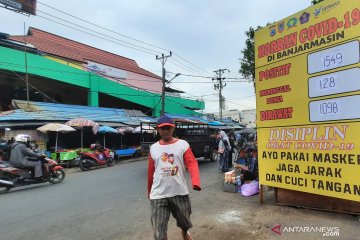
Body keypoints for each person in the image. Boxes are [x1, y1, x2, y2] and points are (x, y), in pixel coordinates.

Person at [148, 115, 201, 240]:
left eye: (168, 128)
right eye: (162, 128)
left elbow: (192, 163)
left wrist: (196, 181)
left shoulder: (182, 144)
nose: (165, 130)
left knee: (185, 222)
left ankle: (184, 231)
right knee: (158, 232)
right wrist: (149, 191)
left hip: (179, 191)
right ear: (158, 129)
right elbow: (151, 171)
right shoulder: (153, 148)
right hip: (158, 194)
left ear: (173, 128)